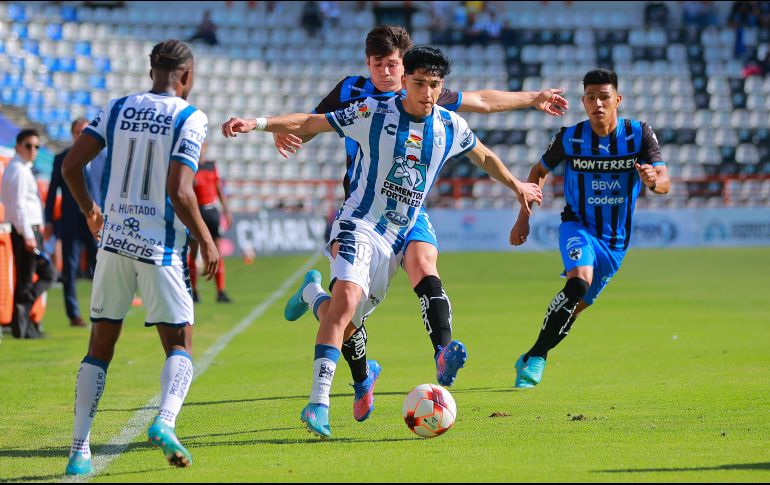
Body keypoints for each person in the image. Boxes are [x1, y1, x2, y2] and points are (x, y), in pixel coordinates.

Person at [222, 45, 543, 438]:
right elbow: (311, 121)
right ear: (404, 81)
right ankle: (318, 403)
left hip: (397, 235)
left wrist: (516, 186)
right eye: (420, 83)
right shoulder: (372, 112)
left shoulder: (449, 125)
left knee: (346, 320)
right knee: (346, 305)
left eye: (434, 85)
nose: (426, 92)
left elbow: (483, 156)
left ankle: (312, 296)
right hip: (360, 223)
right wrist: (257, 123)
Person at [61, 39, 217, 475]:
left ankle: (78, 452)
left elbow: (71, 166)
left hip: (112, 244)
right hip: (160, 249)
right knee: (180, 343)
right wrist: (205, 238)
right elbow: (180, 190)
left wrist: (92, 212)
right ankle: (165, 421)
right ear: (186, 76)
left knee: (99, 347)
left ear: (152, 70)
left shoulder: (116, 107)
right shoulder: (190, 116)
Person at [509, 69, 670, 389]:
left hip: (616, 241)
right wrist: (524, 216)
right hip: (578, 226)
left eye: (604, 97)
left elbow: (664, 181)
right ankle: (539, 358)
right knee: (578, 284)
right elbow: (538, 170)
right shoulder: (570, 137)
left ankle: (529, 355)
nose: (598, 103)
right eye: (591, 97)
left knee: (575, 309)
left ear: (617, 100)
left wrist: (654, 181)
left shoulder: (638, 134)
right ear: (583, 101)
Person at [1, 128, 57, 339]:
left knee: (29, 277)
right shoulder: (18, 170)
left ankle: (23, 323)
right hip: (27, 230)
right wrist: (28, 235)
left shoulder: (22, 169)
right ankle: (22, 324)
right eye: (28, 146)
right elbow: (18, 207)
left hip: (30, 230)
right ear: (18, 146)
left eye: (36, 146)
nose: (33, 150)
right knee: (43, 275)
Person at [45, 118, 99, 328]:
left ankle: (102, 311)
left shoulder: (100, 156)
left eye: (83, 132)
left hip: (96, 220)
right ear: (72, 134)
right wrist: (49, 219)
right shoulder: (61, 159)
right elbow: (52, 192)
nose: (80, 135)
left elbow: (105, 188)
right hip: (71, 221)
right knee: (70, 267)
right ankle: (73, 314)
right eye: (77, 132)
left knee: (101, 265)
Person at [189, 141, 233, 303]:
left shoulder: (211, 165)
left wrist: (226, 210)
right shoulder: (189, 167)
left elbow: (219, 188)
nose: (200, 151)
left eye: (202, 148)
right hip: (196, 212)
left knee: (217, 252)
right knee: (193, 253)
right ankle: (193, 291)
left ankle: (220, 291)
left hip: (211, 211)